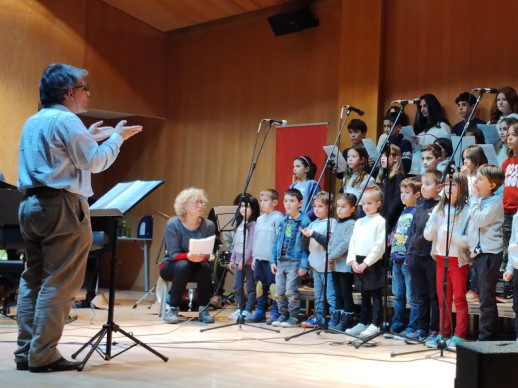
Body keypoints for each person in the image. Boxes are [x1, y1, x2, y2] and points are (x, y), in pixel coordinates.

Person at [15, 63, 142, 372]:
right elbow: (95, 162)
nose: (88, 93)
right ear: (70, 93)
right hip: (63, 207)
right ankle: (43, 355)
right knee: (60, 282)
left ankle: (26, 352)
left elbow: (57, 156)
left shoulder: (34, 121)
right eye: (85, 88)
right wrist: (117, 139)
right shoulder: (67, 120)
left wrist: (87, 135)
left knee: (33, 280)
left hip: (32, 206)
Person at [424, 172, 470, 350]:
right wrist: (436, 222)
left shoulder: (466, 209)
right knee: (443, 298)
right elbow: (428, 235)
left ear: (462, 188)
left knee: (459, 298)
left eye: (454, 185)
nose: (449, 189)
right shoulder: (439, 208)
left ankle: (460, 335)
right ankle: (443, 332)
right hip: (441, 258)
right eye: (447, 185)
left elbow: (470, 240)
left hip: (458, 259)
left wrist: (453, 235)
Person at [160, 188, 216, 325]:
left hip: (196, 264)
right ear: (184, 206)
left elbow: (209, 253)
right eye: (196, 202)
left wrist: (201, 257)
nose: (201, 205)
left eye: (202, 202)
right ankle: (172, 308)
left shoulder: (208, 225)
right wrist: (189, 256)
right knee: (184, 265)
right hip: (171, 266)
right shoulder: (173, 224)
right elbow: (173, 254)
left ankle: (204, 308)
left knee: (205, 267)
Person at [468, 164, 505, 341]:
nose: (476, 181)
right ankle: (487, 334)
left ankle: (486, 337)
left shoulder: (495, 201)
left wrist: (474, 199)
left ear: (491, 185)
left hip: (490, 253)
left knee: (486, 297)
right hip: (479, 253)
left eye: (480, 178)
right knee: (483, 296)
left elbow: (479, 220)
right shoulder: (479, 200)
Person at [405, 170, 442, 343]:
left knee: (433, 295)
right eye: (423, 183)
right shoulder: (419, 208)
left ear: (439, 187)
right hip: (416, 257)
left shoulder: (440, 208)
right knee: (420, 295)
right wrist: (410, 255)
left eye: (428, 184)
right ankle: (421, 328)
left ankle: (434, 329)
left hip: (431, 258)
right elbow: (413, 233)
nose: (424, 187)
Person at [345, 187, 386, 338]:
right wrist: (353, 261)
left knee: (375, 295)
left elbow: (379, 246)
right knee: (364, 295)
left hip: (372, 263)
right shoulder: (359, 222)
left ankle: (374, 324)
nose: (366, 207)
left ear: (378, 204)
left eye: (369, 203)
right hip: (358, 261)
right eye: (363, 204)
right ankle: (363, 322)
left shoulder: (380, 221)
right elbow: (352, 242)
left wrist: (366, 263)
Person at [386, 177, 421, 339]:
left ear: (417, 195)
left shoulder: (417, 212)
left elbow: (414, 236)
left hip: (407, 260)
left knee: (412, 297)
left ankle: (413, 326)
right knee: (398, 295)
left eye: (407, 192)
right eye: (401, 192)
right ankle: (397, 324)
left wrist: (409, 257)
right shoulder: (403, 211)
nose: (403, 195)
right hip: (396, 259)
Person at [270, 188, 311, 327]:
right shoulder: (283, 221)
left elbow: (306, 245)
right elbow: (276, 242)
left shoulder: (304, 221)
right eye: (286, 201)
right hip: (281, 261)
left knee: (290, 291)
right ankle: (283, 314)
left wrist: (303, 265)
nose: (288, 204)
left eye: (292, 201)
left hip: (295, 261)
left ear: (300, 203)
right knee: (279, 292)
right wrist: (272, 260)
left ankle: (293, 316)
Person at [299, 191, 337, 328]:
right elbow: (306, 246)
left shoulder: (332, 223)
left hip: (328, 267)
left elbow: (329, 243)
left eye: (320, 206)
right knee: (318, 296)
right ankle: (319, 318)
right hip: (315, 266)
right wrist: (305, 237)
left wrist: (314, 234)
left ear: (329, 207)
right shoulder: (312, 224)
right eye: (314, 206)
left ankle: (334, 319)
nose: (316, 209)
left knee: (331, 296)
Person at [248, 189, 284, 324]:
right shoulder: (259, 219)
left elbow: (279, 240)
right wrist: (254, 256)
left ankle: (275, 311)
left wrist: (275, 259)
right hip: (259, 258)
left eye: (265, 201)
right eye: (261, 201)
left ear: (274, 202)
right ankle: (260, 311)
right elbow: (256, 239)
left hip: (271, 260)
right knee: (260, 285)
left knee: (273, 286)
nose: (262, 203)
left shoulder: (278, 218)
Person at [327, 193, 357, 331]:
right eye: (338, 206)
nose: (339, 210)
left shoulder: (351, 223)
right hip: (334, 265)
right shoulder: (338, 222)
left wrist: (331, 255)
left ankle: (347, 320)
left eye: (343, 207)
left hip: (344, 266)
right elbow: (332, 240)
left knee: (345, 293)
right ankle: (337, 318)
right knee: (337, 293)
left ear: (352, 208)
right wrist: (328, 254)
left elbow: (346, 243)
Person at [229, 194, 260, 319]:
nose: (243, 209)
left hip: (248, 260)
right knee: (237, 286)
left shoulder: (253, 225)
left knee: (250, 286)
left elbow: (251, 245)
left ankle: (248, 309)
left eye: (247, 207)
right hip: (238, 260)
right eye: (241, 206)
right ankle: (240, 308)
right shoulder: (239, 223)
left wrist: (243, 260)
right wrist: (232, 259)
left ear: (253, 209)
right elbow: (235, 243)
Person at [501, 120, 518, 296]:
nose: (509, 137)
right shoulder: (506, 163)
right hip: (507, 211)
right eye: (509, 134)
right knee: (507, 248)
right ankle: (507, 286)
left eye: (514, 134)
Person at [376, 144, 405, 234]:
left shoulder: (398, 175)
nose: (382, 158)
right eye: (381, 156)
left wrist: (388, 219)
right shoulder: (384, 176)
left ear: (396, 158)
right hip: (382, 216)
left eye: (386, 155)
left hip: (390, 220)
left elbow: (397, 199)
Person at [290, 155, 320, 220]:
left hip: (305, 220)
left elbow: (316, 203)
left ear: (307, 169)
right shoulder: (293, 186)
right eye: (294, 166)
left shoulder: (312, 184)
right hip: (293, 219)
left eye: (297, 166)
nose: (294, 169)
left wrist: (307, 216)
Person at [504, 211, 518, 341]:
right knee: (517, 305)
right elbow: (512, 243)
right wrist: (509, 268)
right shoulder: (516, 217)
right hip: (517, 266)